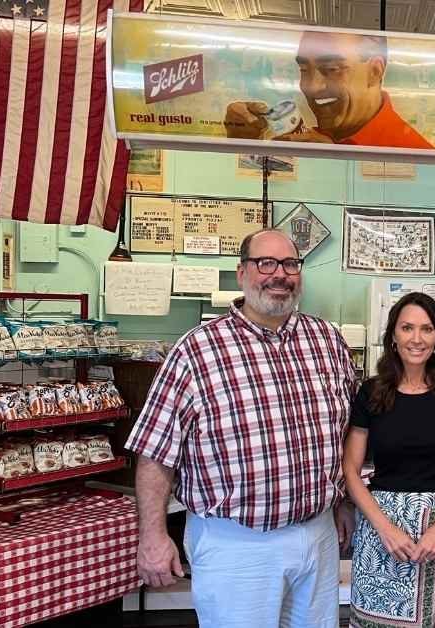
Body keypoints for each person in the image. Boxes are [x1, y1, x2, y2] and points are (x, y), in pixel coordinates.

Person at [125, 228, 356, 628]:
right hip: (236, 545)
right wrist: (153, 536)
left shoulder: (327, 342)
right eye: (265, 263)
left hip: (317, 538)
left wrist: (342, 503)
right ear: (242, 272)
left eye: (290, 264)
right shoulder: (196, 350)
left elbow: (341, 434)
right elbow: (154, 453)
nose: (279, 274)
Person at [343, 291, 435, 627]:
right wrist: (385, 528)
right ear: (393, 336)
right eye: (407, 328)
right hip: (382, 531)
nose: (416, 339)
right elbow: (349, 467)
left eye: (426, 329)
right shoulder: (371, 393)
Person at [224, 31, 434, 149]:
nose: (311, 87)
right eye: (303, 69)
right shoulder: (315, 137)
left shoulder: (415, 152)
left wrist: (336, 161)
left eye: (331, 69)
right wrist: (243, 144)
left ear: (375, 71)